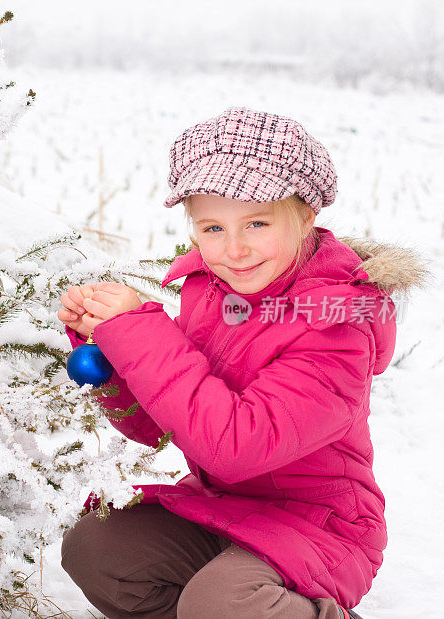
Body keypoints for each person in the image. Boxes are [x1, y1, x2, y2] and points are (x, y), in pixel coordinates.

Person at [56, 107, 429, 618]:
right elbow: (160, 425)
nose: (234, 249)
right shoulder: (210, 292)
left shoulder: (336, 326)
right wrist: (108, 353)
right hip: (228, 508)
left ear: (305, 216)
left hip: (322, 527)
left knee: (223, 603)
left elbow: (235, 446)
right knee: (98, 548)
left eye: (257, 221)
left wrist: (140, 332)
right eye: (212, 227)